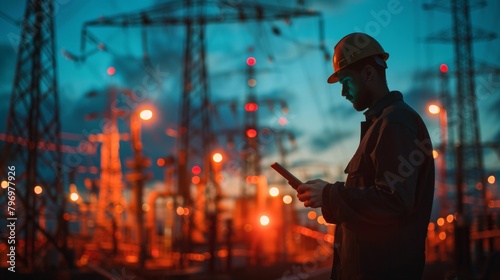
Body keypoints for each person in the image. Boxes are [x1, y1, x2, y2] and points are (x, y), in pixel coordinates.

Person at [297, 32, 435, 279]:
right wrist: (327, 198)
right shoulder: (382, 125)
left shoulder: (395, 123)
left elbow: (393, 202)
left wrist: (330, 194)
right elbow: (371, 207)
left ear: (369, 73)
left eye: (346, 81)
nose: (343, 92)